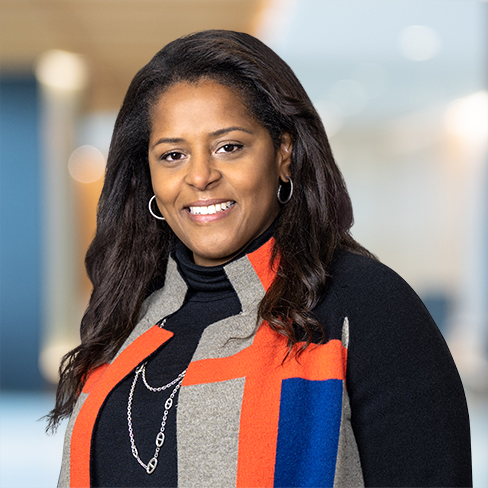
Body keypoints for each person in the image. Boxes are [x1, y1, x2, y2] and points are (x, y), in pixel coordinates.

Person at [48, 30, 472, 487]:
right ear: (148, 176)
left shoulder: (367, 304)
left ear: (284, 153)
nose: (201, 176)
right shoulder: (129, 311)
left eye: (229, 147)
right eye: (172, 155)